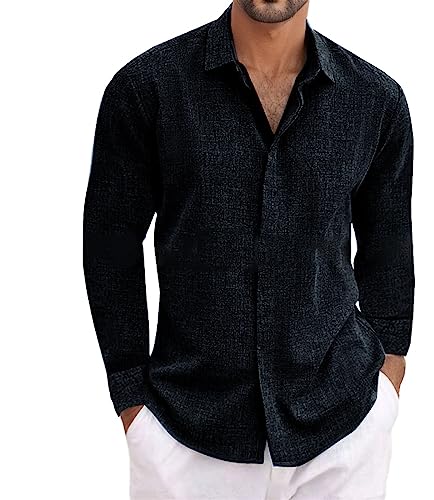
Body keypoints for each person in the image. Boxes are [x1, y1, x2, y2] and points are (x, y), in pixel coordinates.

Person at [83, 1, 414, 498]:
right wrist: (130, 395)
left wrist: (389, 375)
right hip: (184, 434)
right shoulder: (148, 88)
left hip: (343, 431)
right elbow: (111, 243)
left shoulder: (375, 99)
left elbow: (388, 243)